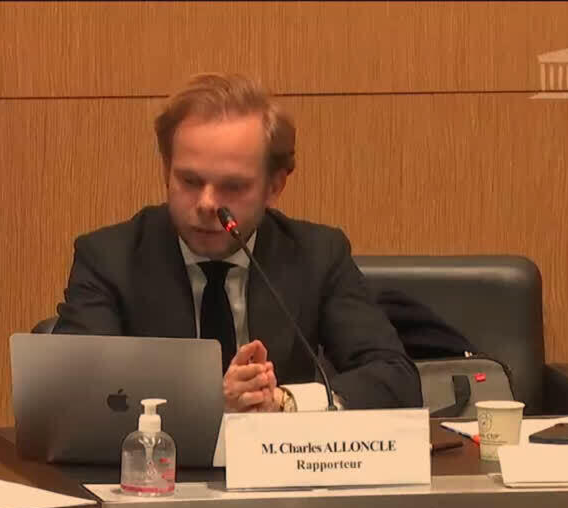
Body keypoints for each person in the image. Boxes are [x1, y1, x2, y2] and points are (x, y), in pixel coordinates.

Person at [53, 73, 421, 412]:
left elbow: (395, 378)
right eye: (190, 181)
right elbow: (73, 395)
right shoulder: (110, 259)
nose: (206, 204)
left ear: (274, 187)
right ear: (166, 170)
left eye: (232, 186)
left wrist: (286, 402)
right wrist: (210, 402)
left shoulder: (316, 254)